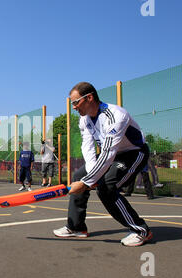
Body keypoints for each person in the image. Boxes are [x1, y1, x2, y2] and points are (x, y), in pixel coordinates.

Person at [53, 82, 153, 247]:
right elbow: (88, 147)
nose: (74, 107)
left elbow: (108, 152)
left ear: (89, 98)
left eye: (75, 102)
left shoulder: (116, 115)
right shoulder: (84, 120)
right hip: (113, 154)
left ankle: (141, 230)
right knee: (79, 175)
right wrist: (88, 177)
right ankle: (76, 227)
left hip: (134, 153)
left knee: (106, 187)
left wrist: (88, 182)